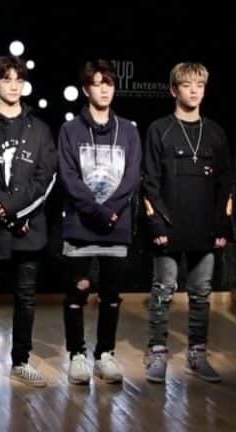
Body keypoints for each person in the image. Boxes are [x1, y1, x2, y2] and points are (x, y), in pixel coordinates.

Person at [0, 55, 57, 390]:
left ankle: (21, 361)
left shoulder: (40, 129)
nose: (14, 85)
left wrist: (15, 211)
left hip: (28, 230)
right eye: (7, 79)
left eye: (19, 79)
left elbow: (46, 179)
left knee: (26, 297)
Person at [142, 62, 232, 383]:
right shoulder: (159, 129)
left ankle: (197, 353)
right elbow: (149, 182)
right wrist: (157, 225)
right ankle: (157, 351)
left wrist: (222, 225)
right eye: (186, 85)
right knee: (163, 290)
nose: (194, 91)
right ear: (173, 90)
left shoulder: (216, 132)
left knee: (201, 293)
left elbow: (226, 184)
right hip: (169, 227)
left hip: (205, 228)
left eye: (200, 85)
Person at [58, 60, 141, 385]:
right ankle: (76, 355)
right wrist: (97, 210)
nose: (104, 89)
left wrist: (111, 211)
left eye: (109, 83)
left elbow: (132, 177)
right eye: (97, 83)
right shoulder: (70, 130)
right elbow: (68, 177)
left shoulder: (129, 130)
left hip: (116, 226)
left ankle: (105, 354)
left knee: (111, 294)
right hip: (81, 227)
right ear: (85, 89)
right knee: (76, 293)